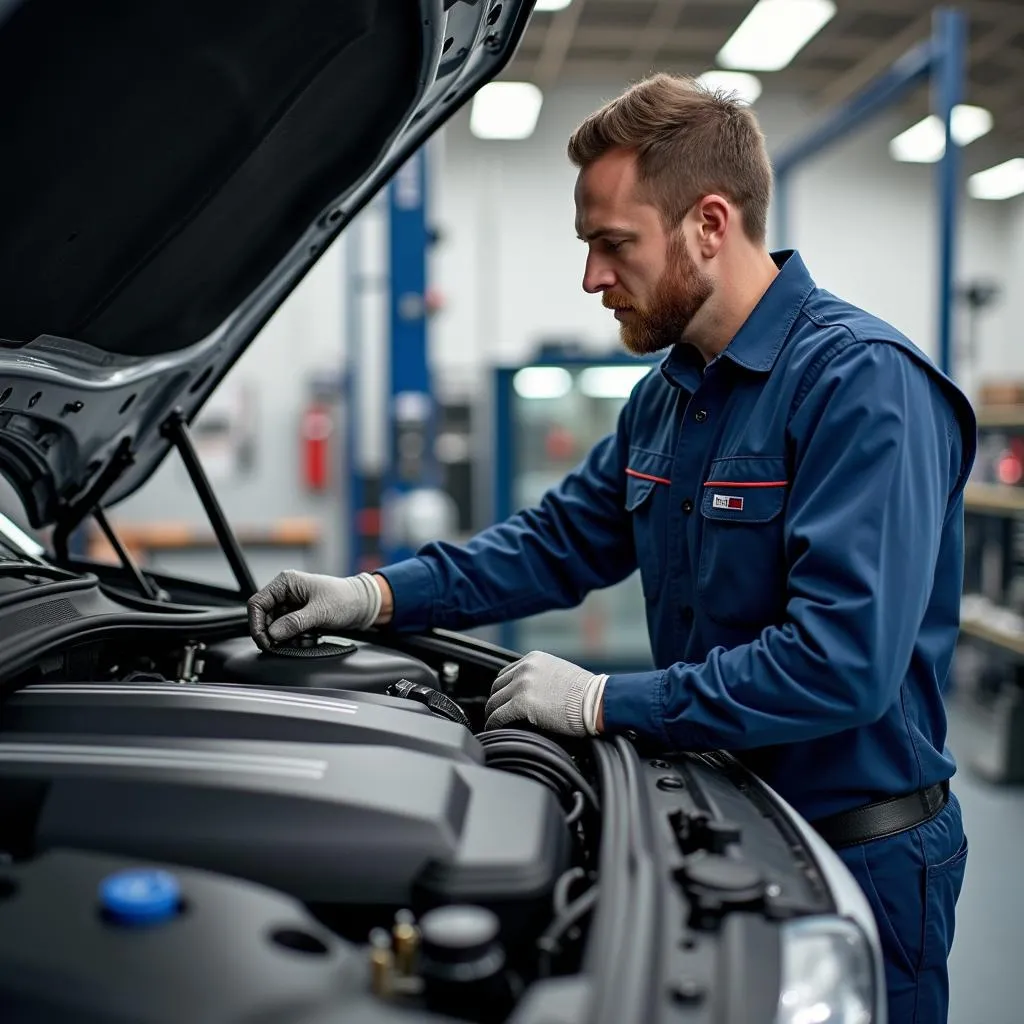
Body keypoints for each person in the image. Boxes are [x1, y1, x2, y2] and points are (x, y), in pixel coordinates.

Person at [248, 73, 975, 1023]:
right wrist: (372, 598)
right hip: (728, 817)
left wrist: (602, 701)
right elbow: (554, 544)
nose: (592, 278)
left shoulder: (862, 387)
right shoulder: (669, 398)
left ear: (709, 224)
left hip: (857, 857)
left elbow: (841, 666)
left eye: (612, 244)